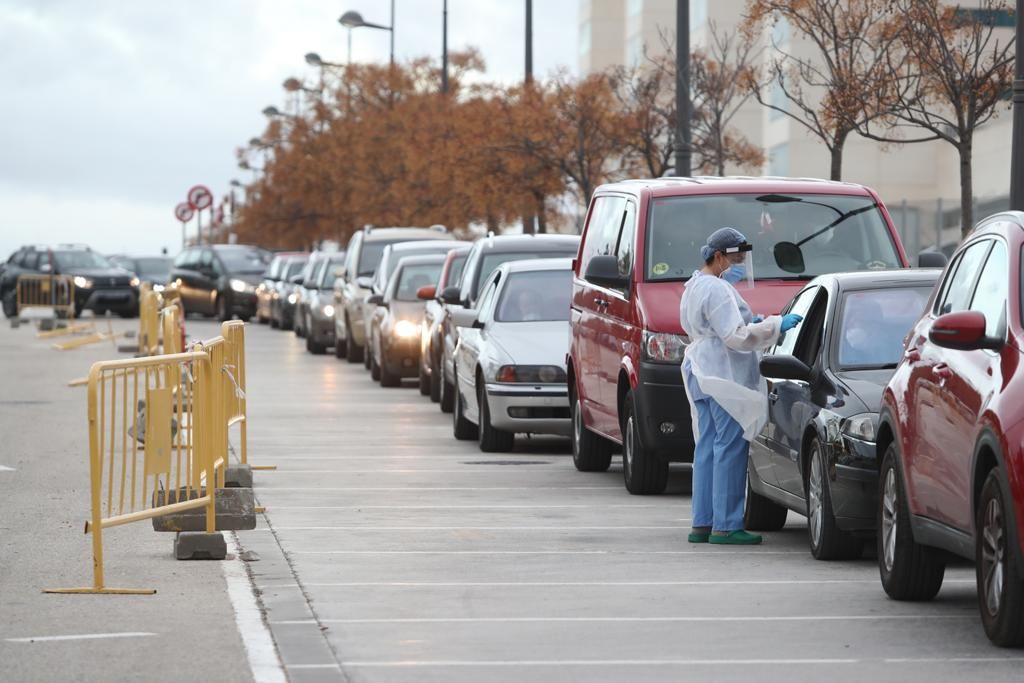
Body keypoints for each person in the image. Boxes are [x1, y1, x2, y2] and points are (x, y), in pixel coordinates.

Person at [680, 227, 803, 545]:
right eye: (735, 259)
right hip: (722, 374)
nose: (739, 265)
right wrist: (774, 325)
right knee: (730, 447)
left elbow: (721, 327)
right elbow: (735, 337)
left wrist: (754, 322)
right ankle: (727, 525)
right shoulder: (718, 290)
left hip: (701, 370)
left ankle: (702, 523)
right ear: (718, 257)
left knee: (707, 446)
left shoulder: (695, 285)